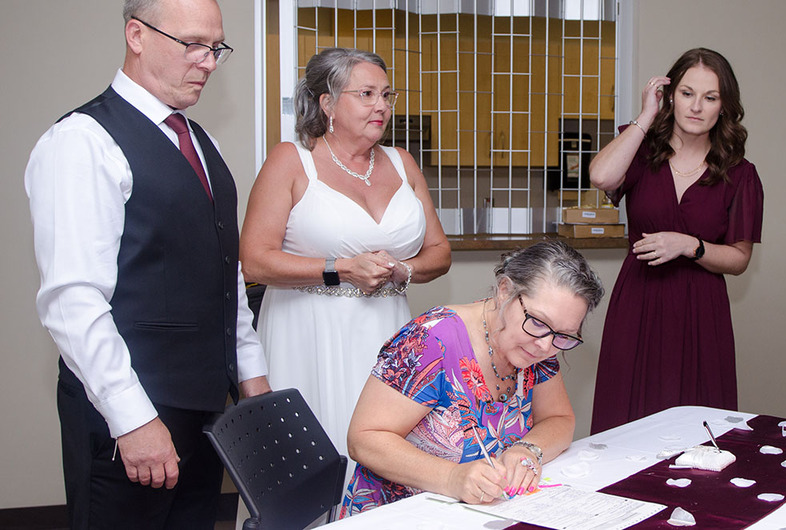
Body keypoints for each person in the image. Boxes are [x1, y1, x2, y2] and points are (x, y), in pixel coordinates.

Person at [24, 1, 271, 528]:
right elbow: (73, 302)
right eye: (193, 45)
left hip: (207, 414)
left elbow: (226, 279)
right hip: (128, 415)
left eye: (216, 48)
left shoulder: (203, 143)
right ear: (136, 35)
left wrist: (254, 383)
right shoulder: (82, 142)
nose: (207, 61)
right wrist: (133, 420)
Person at [240, 47, 451, 457]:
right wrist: (341, 269)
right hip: (308, 332)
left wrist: (401, 270)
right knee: (318, 453)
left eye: (388, 96)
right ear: (328, 103)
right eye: (367, 94)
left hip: (387, 330)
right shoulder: (291, 161)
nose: (382, 107)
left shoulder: (402, 162)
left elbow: (440, 252)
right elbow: (255, 258)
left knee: (388, 448)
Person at [340, 241, 604, 515]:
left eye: (563, 335)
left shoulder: (536, 344)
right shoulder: (430, 341)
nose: (546, 346)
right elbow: (364, 439)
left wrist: (526, 449)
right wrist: (451, 477)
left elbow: (559, 419)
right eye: (538, 322)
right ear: (505, 291)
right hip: (399, 513)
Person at [589, 48, 764, 434]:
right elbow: (601, 177)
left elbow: (738, 259)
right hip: (639, 302)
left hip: (702, 312)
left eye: (710, 97)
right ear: (670, 96)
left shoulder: (741, 174)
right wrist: (646, 117)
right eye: (687, 93)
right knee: (627, 419)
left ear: (724, 106)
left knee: (698, 427)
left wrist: (690, 245)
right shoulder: (641, 149)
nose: (697, 107)